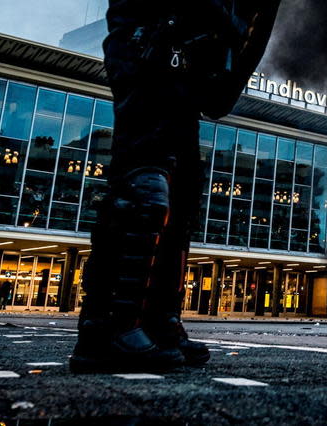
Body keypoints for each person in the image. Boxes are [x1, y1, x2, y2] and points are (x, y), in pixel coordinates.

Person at [70, 0, 280, 373]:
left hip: (187, 66)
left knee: (181, 199)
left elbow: (249, 26)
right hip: (149, 51)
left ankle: (158, 321)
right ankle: (108, 328)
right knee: (145, 190)